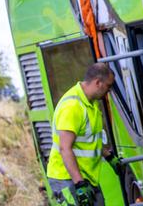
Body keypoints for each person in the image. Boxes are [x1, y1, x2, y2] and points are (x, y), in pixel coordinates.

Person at [46, 63, 120, 206]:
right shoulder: (72, 107)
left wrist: (109, 157)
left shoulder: (91, 104)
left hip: (85, 177)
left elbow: (89, 139)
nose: (109, 91)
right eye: (108, 86)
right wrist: (79, 184)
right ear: (98, 83)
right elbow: (65, 148)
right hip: (67, 178)